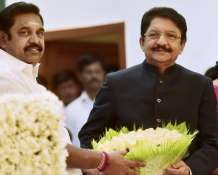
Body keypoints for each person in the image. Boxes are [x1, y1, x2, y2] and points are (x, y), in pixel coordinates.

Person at [0, 2, 142, 175]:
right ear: (3, 38)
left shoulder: (24, 78)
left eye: (40, 33)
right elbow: (43, 145)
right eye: (24, 32)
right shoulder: (1, 77)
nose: (35, 40)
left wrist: (86, 166)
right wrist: (103, 160)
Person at [79, 7, 218, 175]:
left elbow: (213, 142)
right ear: (141, 42)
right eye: (153, 35)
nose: (162, 42)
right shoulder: (116, 83)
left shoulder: (200, 85)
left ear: (182, 45)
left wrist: (189, 169)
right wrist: (98, 165)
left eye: (171, 36)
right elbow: (89, 136)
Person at [65, 54, 105, 146]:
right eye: (89, 72)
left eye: (97, 71)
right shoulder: (70, 110)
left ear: (104, 74)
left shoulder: (113, 104)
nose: (94, 76)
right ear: (79, 76)